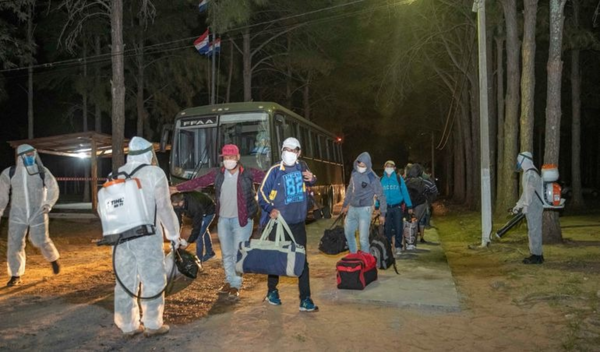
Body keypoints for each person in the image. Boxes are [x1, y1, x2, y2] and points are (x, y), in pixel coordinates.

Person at [111, 137, 185, 338]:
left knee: (125, 281)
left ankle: (127, 325)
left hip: (120, 237)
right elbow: (163, 206)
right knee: (152, 280)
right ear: (147, 153)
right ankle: (152, 324)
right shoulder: (154, 173)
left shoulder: (116, 173)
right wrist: (173, 234)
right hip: (146, 236)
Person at [171, 144, 265, 301]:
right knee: (226, 253)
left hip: (242, 220)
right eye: (226, 158)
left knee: (237, 253)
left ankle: (236, 284)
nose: (228, 161)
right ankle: (229, 281)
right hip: (223, 219)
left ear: (238, 158)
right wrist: (177, 188)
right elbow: (198, 182)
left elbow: (270, 177)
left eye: (231, 157)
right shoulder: (218, 174)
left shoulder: (248, 174)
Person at [258, 137, 318, 312]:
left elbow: (312, 182)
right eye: (286, 149)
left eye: (293, 150)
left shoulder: (302, 167)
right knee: (275, 259)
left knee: (302, 261)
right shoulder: (275, 170)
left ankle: (305, 299)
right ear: (281, 150)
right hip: (279, 224)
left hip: (298, 223)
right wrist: (270, 209)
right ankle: (272, 291)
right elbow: (261, 193)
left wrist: (312, 178)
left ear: (299, 152)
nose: (289, 153)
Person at [0, 144, 61, 287]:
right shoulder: (9, 173)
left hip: (38, 213)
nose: (31, 157)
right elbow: (1, 195)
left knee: (40, 240)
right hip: (18, 214)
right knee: (15, 244)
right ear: (21, 157)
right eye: (28, 155)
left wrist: (48, 204)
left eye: (33, 154)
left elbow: (53, 187)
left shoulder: (42, 171)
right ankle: (16, 275)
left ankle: (53, 259)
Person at [341, 152, 387, 253]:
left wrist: (382, 213)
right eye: (359, 165)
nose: (360, 167)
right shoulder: (354, 173)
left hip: (365, 210)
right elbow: (350, 189)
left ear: (368, 165)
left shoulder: (372, 177)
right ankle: (354, 257)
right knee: (348, 233)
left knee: (363, 239)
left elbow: (381, 196)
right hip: (352, 208)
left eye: (363, 166)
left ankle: (365, 262)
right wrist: (345, 205)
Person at [512, 151, 544, 264]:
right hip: (532, 205)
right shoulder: (528, 172)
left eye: (519, 161)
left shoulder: (530, 174)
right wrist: (518, 205)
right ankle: (535, 253)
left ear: (524, 161)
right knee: (532, 230)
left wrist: (525, 205)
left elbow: (529, 192)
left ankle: (537, 255)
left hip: (534, 206)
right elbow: (525, 193)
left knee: (534, 230)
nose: (518, 163)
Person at [171, 192, 216, 262]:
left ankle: (199, 260)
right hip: (199, 209)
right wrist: (176, 235)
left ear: (180, 202)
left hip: (208, 211)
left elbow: (196, 227)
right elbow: (178, 220)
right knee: (203, 230)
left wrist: (188, 243)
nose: (175, 207)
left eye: (175, 206)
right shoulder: (177, 204)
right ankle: (210, 253)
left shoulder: (194, 206)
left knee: (199, 235)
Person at [380, 160, 413, 255]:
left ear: (394, 168)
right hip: (386, 208)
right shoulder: (381, 179)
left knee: (398, 227)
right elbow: (379, 194)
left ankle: (398, 246)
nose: (389, 168)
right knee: (387, 228)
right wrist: (378, 206)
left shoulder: (398, 178)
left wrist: (409, 205)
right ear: (384, 168)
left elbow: (405, 192)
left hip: (397, 207)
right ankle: (388, 246)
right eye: (387, 166)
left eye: (391, 166)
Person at [405, 163, 438, 243]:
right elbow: (434, 191)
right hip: (421, 204)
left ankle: (408, 240)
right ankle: (413, 241)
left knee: (408, 222)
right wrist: (429, 200)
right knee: (416, 222)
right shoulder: (425, 181)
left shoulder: (405, 181)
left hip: (408, 204)